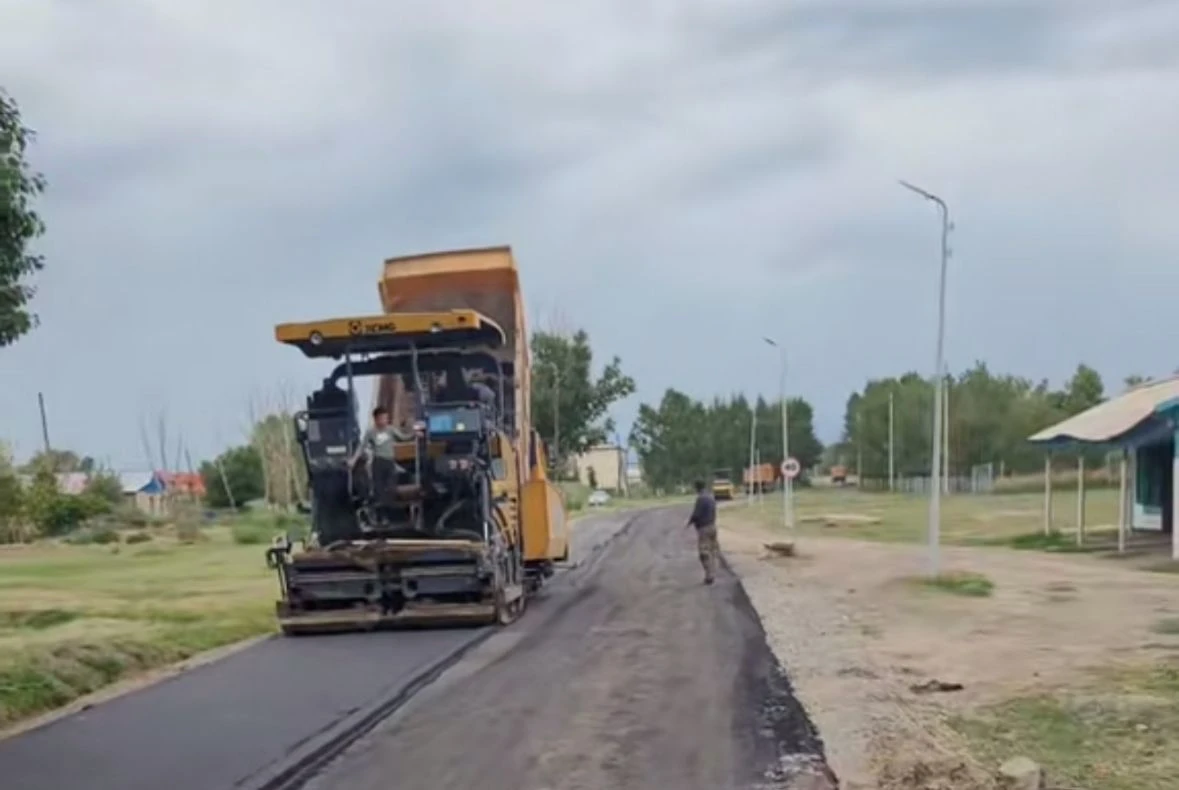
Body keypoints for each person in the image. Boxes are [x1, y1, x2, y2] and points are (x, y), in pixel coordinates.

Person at [351, 406, 413, 496]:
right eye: (382, 418)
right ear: (376, 419)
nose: (385, 421)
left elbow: (403, 438)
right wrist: (353, 460)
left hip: (389, 461)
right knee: (379, 489)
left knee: (392, 487)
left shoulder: (391, 430)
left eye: (386, 418)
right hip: (378, 462)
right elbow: (362, 447)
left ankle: (391, 505)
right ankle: (379, 506)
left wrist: (414, 434)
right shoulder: (371, 432)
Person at [685, 479, 719, 584]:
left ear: (696, 488)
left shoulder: (701, 499)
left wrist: (689, 522)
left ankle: (709, 576)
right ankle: (713, 571)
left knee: (704, 553)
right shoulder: (710, 497)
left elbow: (696, 514)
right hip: (712, 526)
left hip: (704, 528)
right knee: (713, 550)